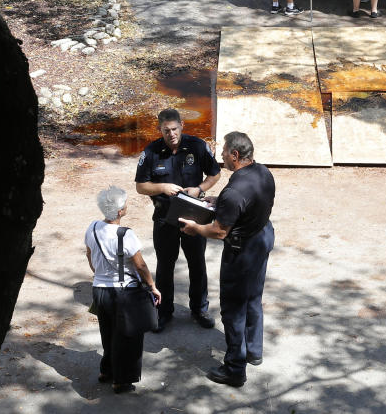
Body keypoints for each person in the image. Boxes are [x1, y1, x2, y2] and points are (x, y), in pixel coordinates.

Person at [180, 131, 276, 389]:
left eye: (223, 151)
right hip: (263, 236)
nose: (220, 155)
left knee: (233, 309)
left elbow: (220, 231)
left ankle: (235, 369)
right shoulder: (263, 172)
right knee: (253, 297)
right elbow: (246, 203)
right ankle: (254, 351)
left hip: (242, 251)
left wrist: (195, 228)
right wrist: (217, 201)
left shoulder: (235, 190)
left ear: (235, 155)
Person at [134, 109, 221, 332]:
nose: (171, 134)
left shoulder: (198, 146)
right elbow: (140, 186)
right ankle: (164, 312)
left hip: (193, 217)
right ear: (159, 129)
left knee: (197, 264)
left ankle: (200, 309)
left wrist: (200, 188)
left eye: (175, 129)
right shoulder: (152, 152)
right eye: (166, 130)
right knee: (165, 267)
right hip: (165, 219)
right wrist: (162, 187)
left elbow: (215, 174)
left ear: (182, 125)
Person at [85, 186, 163, 395]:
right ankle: (121, 381)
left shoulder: (92, 228)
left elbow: (90, 256)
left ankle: (106, 371)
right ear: (120, 212)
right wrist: (152, 286)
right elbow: (140, 266)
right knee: (127, 338)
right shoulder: (125, 234)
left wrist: (99, 273)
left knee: (107, 333)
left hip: (99, 291)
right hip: (123, 294)